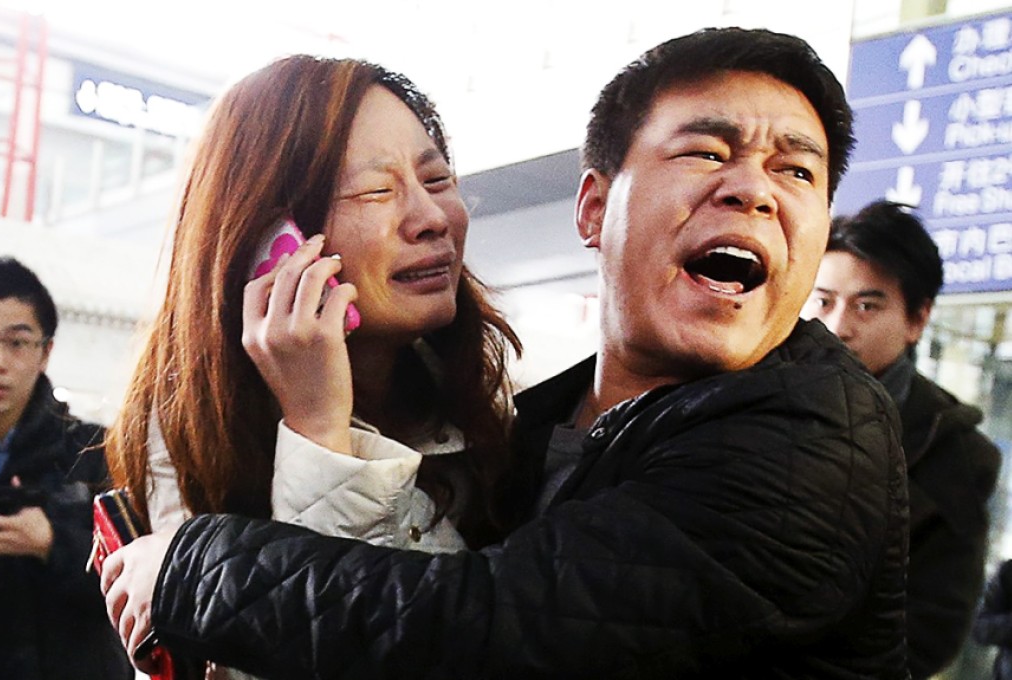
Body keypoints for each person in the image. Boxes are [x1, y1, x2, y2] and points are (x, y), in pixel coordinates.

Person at [101, 27, 909, 679]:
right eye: (705, 153)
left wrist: (201, 565)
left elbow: (483, 630)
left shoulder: (814, 436)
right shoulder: (527, 426)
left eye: (797, 170)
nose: (755, 189)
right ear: (593, 208)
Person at [103, 55, 522, 676]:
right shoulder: (191, 443)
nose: (433, 219)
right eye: (378, 190)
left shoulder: (489, 406)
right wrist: (319, 434)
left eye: (436, 181)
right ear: (273, 242)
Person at [801, 199, 1001, 679]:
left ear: (918, 319)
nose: (838, 326)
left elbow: (931, 629)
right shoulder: (744, 402)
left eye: (867, 305)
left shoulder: (957, 453)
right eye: (822, 300)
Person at [0, 256, 131, 679]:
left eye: (17, 342)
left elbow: (144, 585)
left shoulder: (96, 450)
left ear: (45, 351)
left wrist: (55, 542)